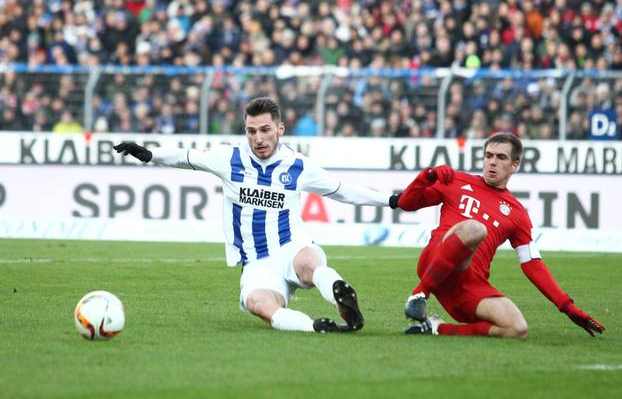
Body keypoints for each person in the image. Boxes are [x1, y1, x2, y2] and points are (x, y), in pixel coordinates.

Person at [114, 97, 390, 333]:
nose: (258, 138)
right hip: (256, 261)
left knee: (309, 264)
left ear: (280, 129)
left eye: (265, 130)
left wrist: (390, 200)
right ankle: (316, 327)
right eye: (251, 131)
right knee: (259, 303)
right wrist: (150, 154)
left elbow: (343, 190)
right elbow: (186, 157)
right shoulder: (228, 158)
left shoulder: (297, 165)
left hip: (291, 245)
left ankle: (341, 296)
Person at [389, 133, 605, 338]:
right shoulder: (456, 181)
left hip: (467, 286)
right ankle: (419, 294)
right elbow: (407, 203)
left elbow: (532, 264)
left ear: (515, 165)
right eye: (488, 156)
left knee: (517, 328)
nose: (492, 162)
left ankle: (435, 328)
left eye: (501, 157)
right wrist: (427, 176)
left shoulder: (518, 213)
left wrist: (567, 307)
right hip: (434, 262)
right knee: (476, 228)